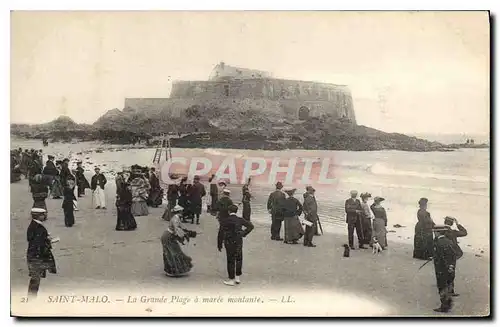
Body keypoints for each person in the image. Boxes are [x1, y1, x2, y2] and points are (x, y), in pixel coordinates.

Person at [218, 204, 254, 286]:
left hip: (229, 241)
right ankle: (237, 277)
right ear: (236, 211)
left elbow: (220, 233)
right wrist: (243, 233)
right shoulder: (240, 220)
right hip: (238, 241)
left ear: (229, 211)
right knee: (239, 258)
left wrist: (219, 244)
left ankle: (231, 279)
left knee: (230, 260)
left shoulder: (225, 220)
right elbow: (251, 226)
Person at [26, 208, 58, 299]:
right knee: (35, 279)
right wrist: (49, 241)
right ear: (38, 216)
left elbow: (31, 238)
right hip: (37, 257)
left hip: (33, 255)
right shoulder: (39, 228)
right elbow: (39, 243)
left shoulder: (34, 225)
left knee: (35, 279)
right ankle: (31, 299)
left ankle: (31, 298)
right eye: (43, 214)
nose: (45, 216)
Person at [160, 205, 196, 277]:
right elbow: (177, 230)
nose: (182, 213)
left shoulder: (176, 218)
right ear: (179, 212)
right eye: (181, 211)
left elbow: (181, 227)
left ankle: (172, 270)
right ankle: (173, 270)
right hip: (168, 237)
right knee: (173, 252)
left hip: (169, 236)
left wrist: (187, 232)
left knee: (173, 252)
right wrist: (184, 235)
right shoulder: (175, 219)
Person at [432, 225, 457, 313]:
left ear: (437, 232)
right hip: (448, 268)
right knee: (447, 285)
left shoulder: (439, 242)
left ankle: (444, 307)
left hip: (441, 269)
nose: (433, 233)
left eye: (434, 232)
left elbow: (442, 256)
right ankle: (448, 304)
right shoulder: (448, 241)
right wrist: (451, 266)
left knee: (442, 286)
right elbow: (453, 255)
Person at [444, 216, 467, 296]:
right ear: (452, 223)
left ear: (445, 222)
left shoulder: (441, 231)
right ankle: (450, 291)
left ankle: (446, 290)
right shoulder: (453, 232)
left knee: (445, 272)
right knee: (451, 272)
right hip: (452, 255)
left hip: (444, 254)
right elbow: (464, 232)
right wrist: (458, 224)